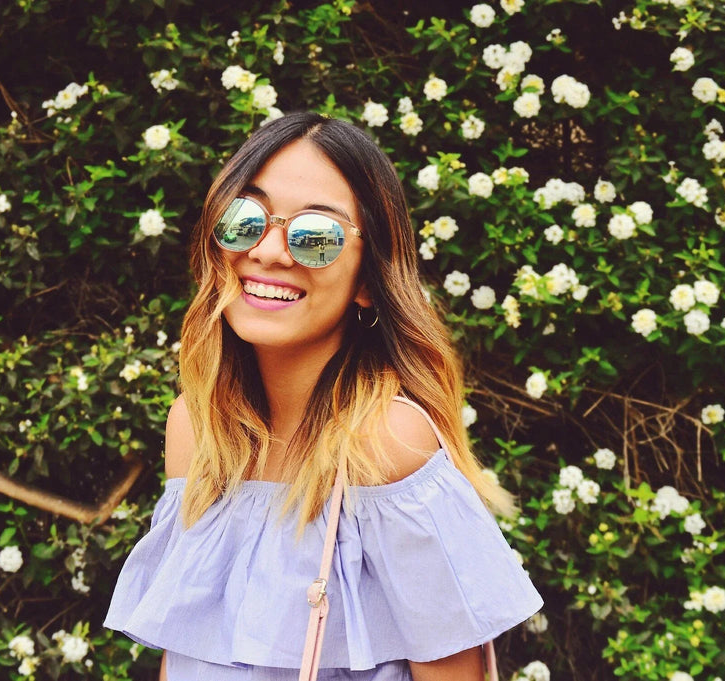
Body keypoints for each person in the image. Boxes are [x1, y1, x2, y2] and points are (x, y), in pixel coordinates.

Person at [104, 111, 543, 681]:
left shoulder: (385, 441)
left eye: (316, 235)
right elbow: (185, 650)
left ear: (367, 279)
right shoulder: (194, 427)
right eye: (245, 219)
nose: (269, 251)